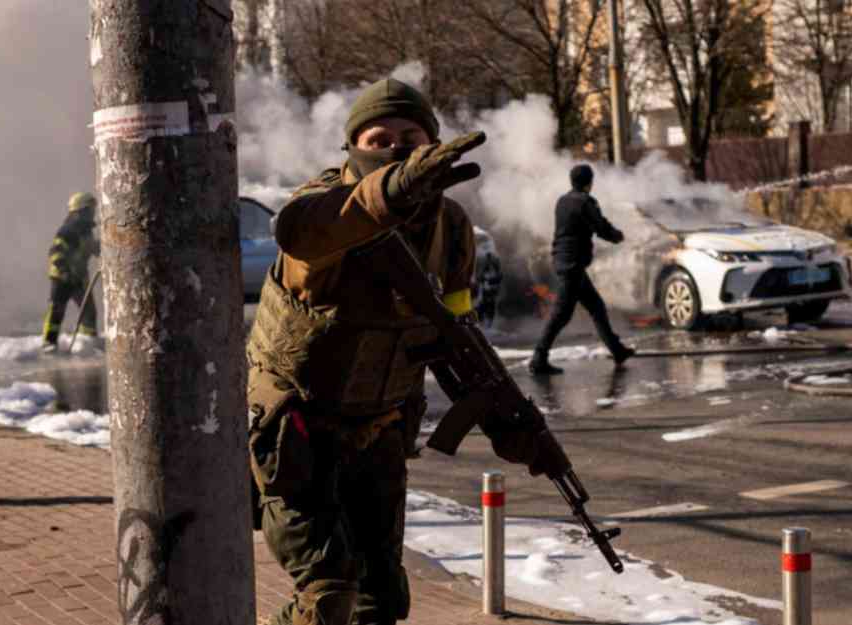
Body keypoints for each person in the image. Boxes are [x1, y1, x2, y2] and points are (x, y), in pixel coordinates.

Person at [245, 78, 544, 625]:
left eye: (411, 136)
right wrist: (389, 193)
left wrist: (509, 424)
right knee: (328, 595)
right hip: (299, 434)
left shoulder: (451, 229)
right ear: (352, 145)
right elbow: (301, 234)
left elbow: (456, 335)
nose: (396, 148)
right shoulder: (321, 207)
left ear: (433, 142)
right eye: (378, 138)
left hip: (379, 429)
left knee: (381, 600)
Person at [528, 164, 634, 375]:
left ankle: (617, 350)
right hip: (573, 265)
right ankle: (538, 359)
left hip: (564, 261)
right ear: (589, 182)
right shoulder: (585, 202)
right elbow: (601, 227)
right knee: (561, 315)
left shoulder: (563, 201)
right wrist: (618, 235)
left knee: (596, 307)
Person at [41, 192, 100, 353]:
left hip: (79, 277)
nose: (92, 213)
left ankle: (87, 342)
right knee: (57, 310)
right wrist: (65, 273)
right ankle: (49, 343)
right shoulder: (67, 231)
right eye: (89, 210)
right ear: (79, 212)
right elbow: (55, 253)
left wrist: (103, 249)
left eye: (92, 210)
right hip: (62, 277)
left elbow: (90, 248)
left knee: (88, 311)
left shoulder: (86, 231)